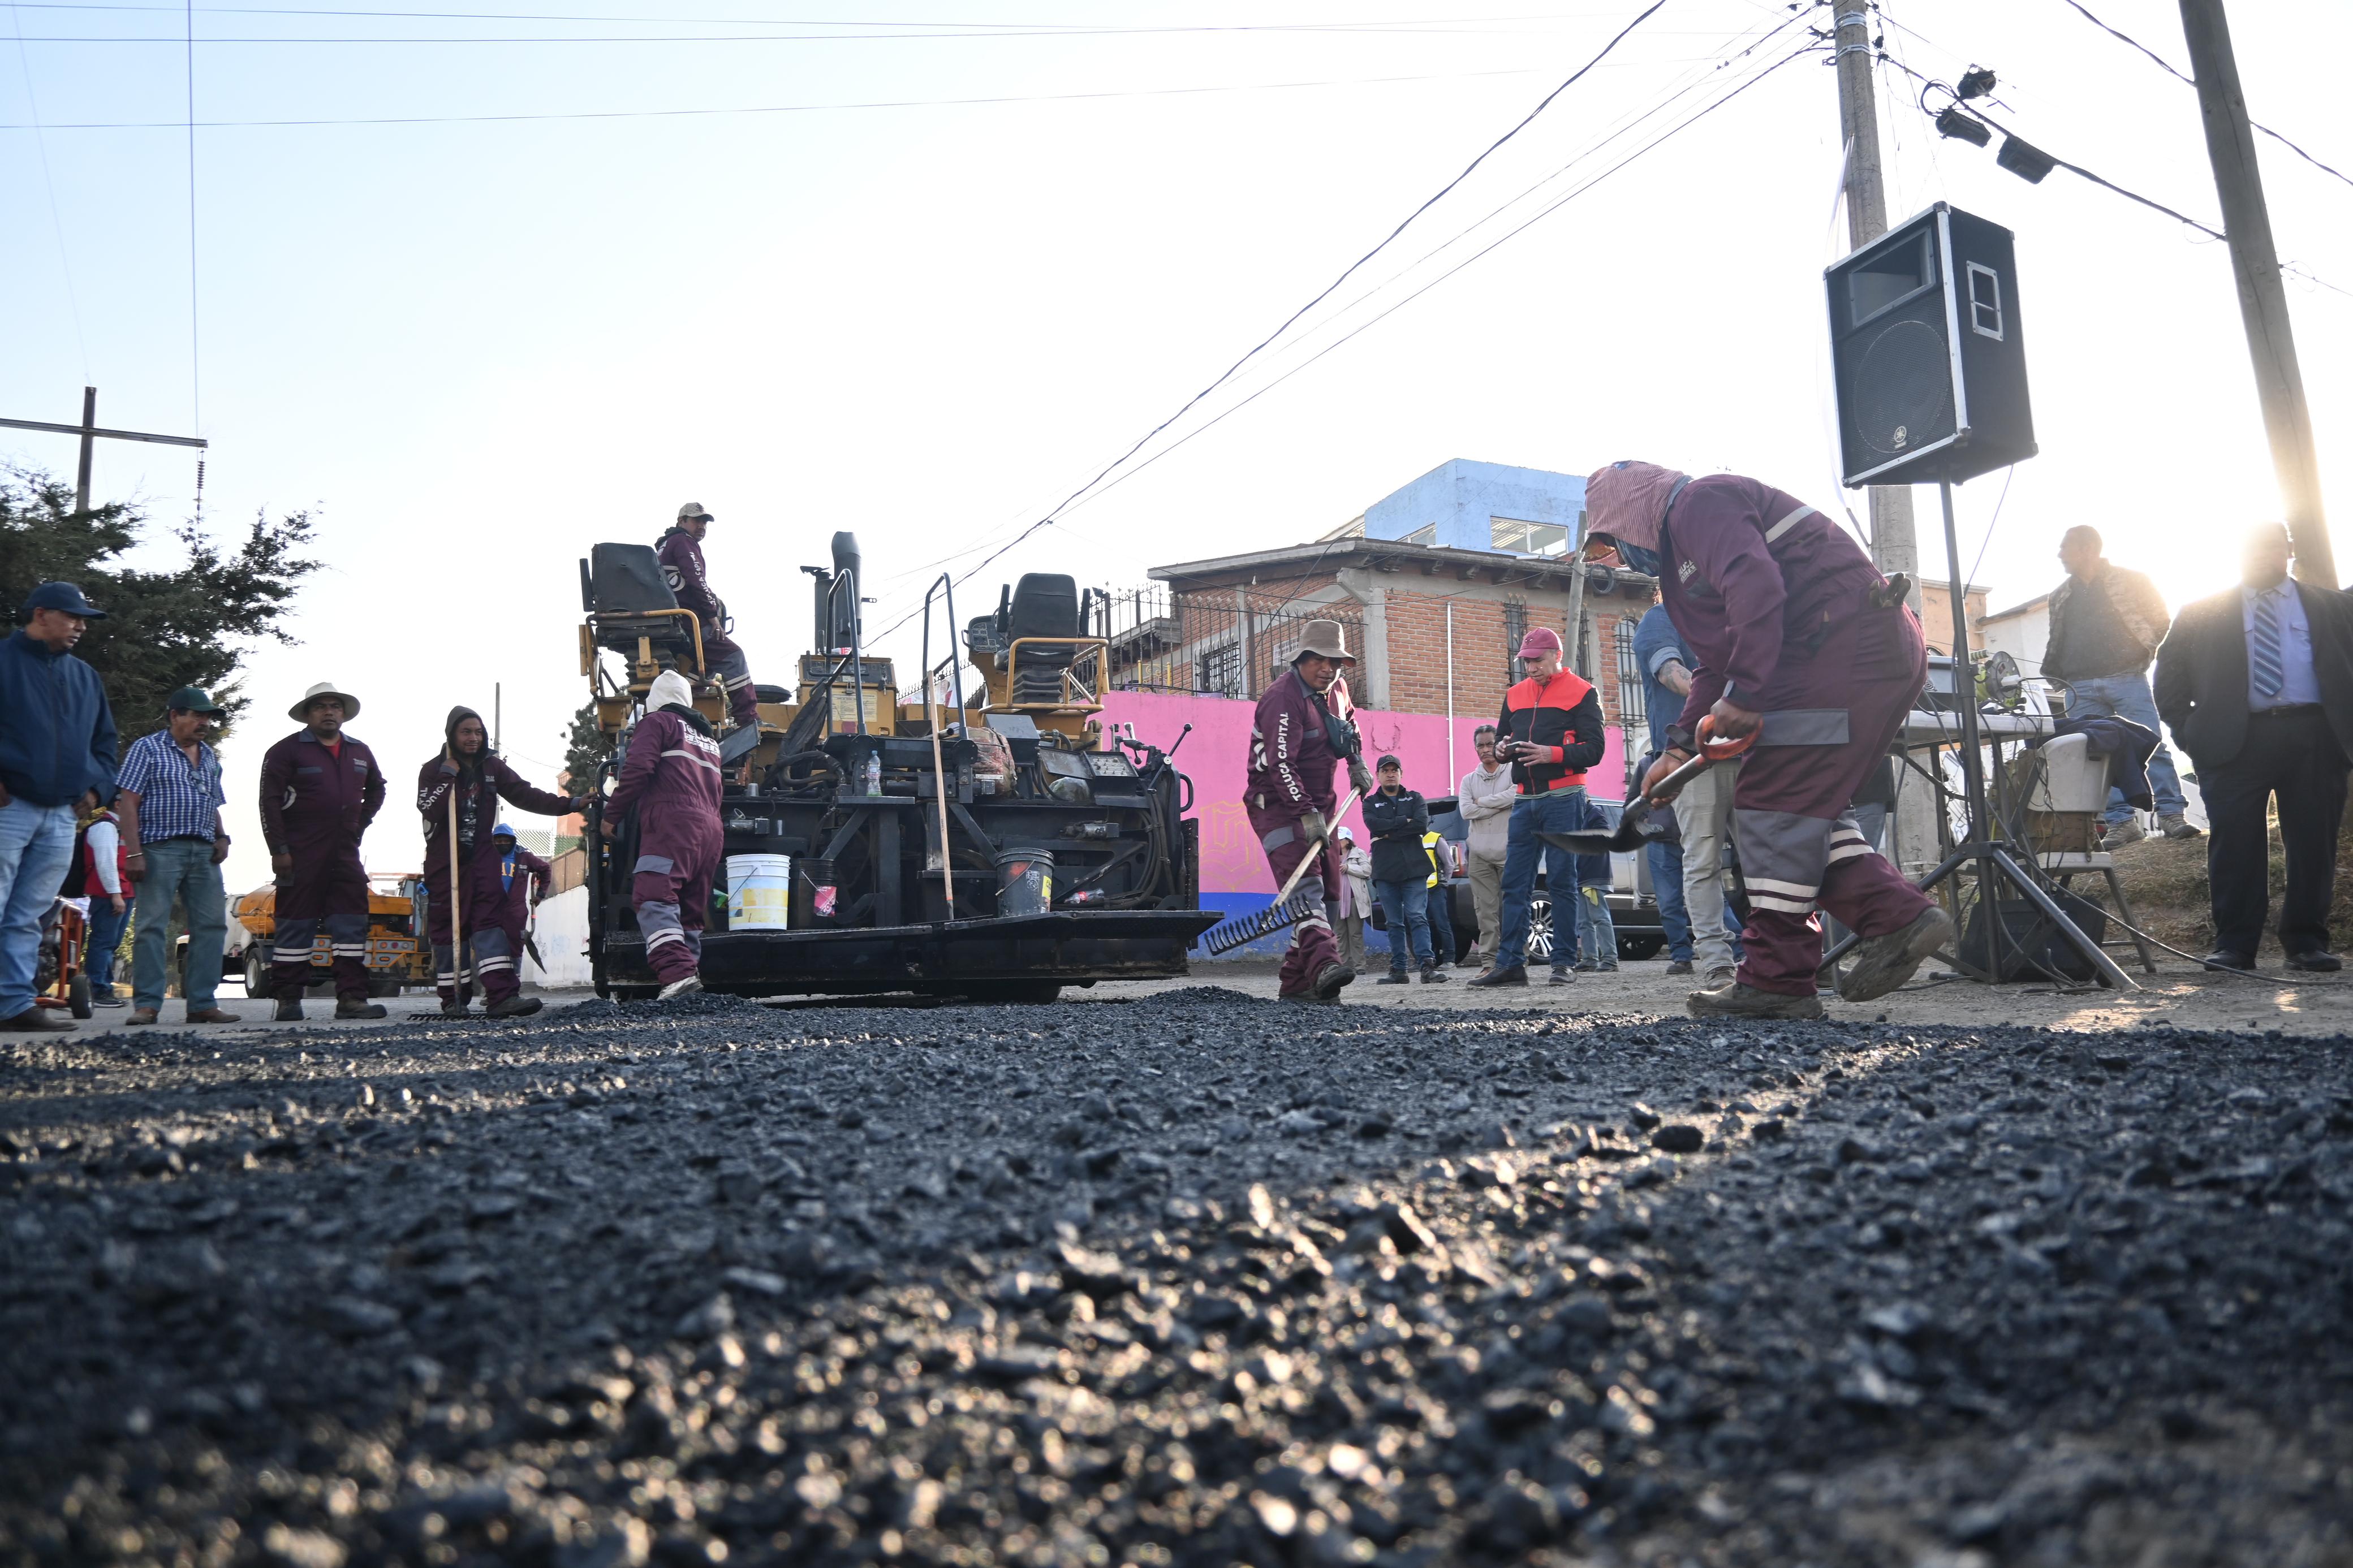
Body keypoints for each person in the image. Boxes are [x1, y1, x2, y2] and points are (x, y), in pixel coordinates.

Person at [1587, 460, 1951, 1019]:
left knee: (1770, 802)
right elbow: (1715, 660)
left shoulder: (1697, 505)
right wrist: (1678, 747)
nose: (1618, 557)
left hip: (1839, 645)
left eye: (1611, 542)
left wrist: (1747, 690)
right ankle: (1892, 914)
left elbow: (1757, 587)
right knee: (1805, 809)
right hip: (1857, 648)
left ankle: (1778, 980)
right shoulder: (1682, 569)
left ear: (1631, 513)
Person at [2153, 523, 2353, 972]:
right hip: (2232, 742)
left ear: (2288, 549)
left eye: (2271, 546)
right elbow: (2168, 681)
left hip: (2316, 738)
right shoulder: (2201, 611)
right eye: (2251, 548)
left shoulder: (2334, 606)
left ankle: (2306, 943)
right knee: (2235, 843)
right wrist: (2193, 734)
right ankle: (2235, 946)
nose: (2261, 555)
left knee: (2312, 844)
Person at [0, 583, 117, 1033]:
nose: (82, 626)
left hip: (61, 818)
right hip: (9, 808)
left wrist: (96, 792)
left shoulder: (86, 677)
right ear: (42, 614)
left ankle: (13, 1005)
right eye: (74, 617)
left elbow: (106, 745)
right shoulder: (4, 662)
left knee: (29, 914)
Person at [2042, 525, 2198, 846]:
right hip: (2079, 685)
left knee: (2150, 744)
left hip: (2127, 677)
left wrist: (2142, 652)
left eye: (2065, 547)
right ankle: (2122, 823)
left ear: (2087, 549)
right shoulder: (2059, 595)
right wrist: (2057, 673)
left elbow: (2160, 619)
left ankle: (2171, 815)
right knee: (2098, 755)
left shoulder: (2133, 580)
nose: (2060, 554)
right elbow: (2056, 637)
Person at [420, 706, 580, 1016]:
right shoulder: (433, 769)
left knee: (490, 925)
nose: (474, 738)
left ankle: (502, 996)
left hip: (482, 860)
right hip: (446, 863)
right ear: (452, 734)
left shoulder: (492, 767)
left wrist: (570, 804)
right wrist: (448, 774)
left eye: (479, 732)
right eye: (466, 732)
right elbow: (429, 808)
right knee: (449, 929)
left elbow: (525, 794)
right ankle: (454, 998)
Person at [1471, 626, 1604, 988]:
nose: (1531, 668)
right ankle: (1512, 964)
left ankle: (1563, 963)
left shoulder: (1583, 692)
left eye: (1537, 660)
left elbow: (1596, 750)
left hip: (1565, 796)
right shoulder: (1514, 695)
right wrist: (1500, 750)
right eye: (1526, 661)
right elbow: (1501, 739)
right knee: (1515, 885)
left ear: (1557, 656)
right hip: (1525, 799)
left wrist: (1552, 754)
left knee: (1562, 880)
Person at [1243, 619, 1369, 1003]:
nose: (1327, 668)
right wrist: (1305, 813)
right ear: (1301, 659)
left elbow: (1348, 726)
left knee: (1331, 892)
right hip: (1278, 806)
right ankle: (1326, 967)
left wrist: (1356, 761)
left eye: (1334, 661)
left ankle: (1296, 984)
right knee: (1307, 889)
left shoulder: (1339, 690)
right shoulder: (1283, 698)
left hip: (1323, 805)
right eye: (1318, 660)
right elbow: (1281, 764)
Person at [258, 681, 388, 1022]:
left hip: (345, 852)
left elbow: (378, 788)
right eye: (321, 706)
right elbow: (269, 802)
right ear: (308, 714)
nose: (329, 712)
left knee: (351, 924)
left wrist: (361, 824)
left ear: (343, 713)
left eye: (335, 706)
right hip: (300, 852)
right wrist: (279, 849)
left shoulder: (360, 751)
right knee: (294, 925)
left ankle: (351, 999)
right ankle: (288, 1000)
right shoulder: (284, 752)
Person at [1632, 595, 1744, 980]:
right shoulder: (1660, 618)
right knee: (1702, 860)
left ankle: (1782, 953)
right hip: (1693, 758)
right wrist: (1732, 698)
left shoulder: (1734, 613)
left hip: (1748, 751)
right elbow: (1671, 674)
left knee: (1768, 860)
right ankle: (1717, 960)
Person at [118, 686, 240, 1026]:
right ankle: (147, 1005)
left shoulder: (210, 755)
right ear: (175, 715)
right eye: (197, 716)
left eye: (208, 718)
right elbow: (128, 803)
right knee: (151, 927)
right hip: (159, 848)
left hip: (204, 851)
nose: (204, 723)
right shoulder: (147, 749)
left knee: (212, 925)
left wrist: (222, 836)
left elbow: (212, 801)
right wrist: (134, 852)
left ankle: (202, 1003)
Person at [601, 670, 726, 999]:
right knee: (689, 908)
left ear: (654, 700)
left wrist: (611, 815)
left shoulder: (657, 723)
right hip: (711, 829)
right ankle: (688, 981)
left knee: (654, 894)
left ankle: (677, 974)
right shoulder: (708, 740)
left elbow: (638, 770)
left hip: (673, 823)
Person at [657, 503, 761, 731]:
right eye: (697, 520)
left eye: (705, 522)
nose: (702, 526)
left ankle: (684, 705)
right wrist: (713, 616)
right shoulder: (683, 542)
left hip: (673, 622)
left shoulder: (665, 546)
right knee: (734, 657)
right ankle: (748, 720)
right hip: (689, 622)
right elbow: (696, 581)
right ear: (681, 521)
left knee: (706, 666)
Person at [1364, 755, 1444, 984]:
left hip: (1415, 867)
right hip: (1385, 869)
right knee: (1394, 922)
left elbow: (1421, 824)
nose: (1390, 774)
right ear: (1378, 775)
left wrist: (1389, 830)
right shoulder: (1370, 803)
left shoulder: (1416, 798)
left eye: (1394, 770)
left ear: (1401, 773)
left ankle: (1427, 967)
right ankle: (1399, 970)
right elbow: (1373, 825)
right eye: (1385, 770)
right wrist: (1404, 822)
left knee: (1417, 916)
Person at [62, 801, 131, 1005]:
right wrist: (115, 894)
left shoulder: (119, 827)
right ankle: (98, 989)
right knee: (103, 942)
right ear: (119, 805)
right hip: (108, 894)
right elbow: (105, 863)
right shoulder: (105, 827)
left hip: (123, 892)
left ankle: (103, 987)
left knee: (111, 943)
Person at [1458, 725, 1515, 969]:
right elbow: (1466, 811)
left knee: (1514, 908)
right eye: (1480, 745)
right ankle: (1489, 963)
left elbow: (1517, 794)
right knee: (1485, 913)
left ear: (1499, 745)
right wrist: (1500, 804)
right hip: (1479, 854)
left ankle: (1515, 960)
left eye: (1490, 744)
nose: (1485, 750)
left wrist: (1484, 802)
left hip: (1510, 850)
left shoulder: (1513, 771)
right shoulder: (1468, 780)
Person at [489, 822, 553, 982]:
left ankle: (513, 986)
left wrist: (541, 894)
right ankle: (494, 990)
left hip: (515, 910)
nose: (502, 844)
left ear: (513, 840)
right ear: (494, 841)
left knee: (515, 947)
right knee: (491, 949)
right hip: (491, 909)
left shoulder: (524, 857)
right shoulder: (487, 856)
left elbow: (545, 869)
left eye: (506, 840)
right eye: (499, 841)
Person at [1572, 800, 1619, 971]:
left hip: (1594, 874)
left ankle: (1610, 959)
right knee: (1584, 921)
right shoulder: (1579, 815)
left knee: (1599, 917)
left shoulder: (1594, 814)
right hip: (1581, 875)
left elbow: (1604, 836)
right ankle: (1590, 959)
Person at [1422, 825, 1461, 967]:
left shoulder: (1436, 838)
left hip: (1436, 888)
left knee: (1442, 924)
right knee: (1422, 925)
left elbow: (1449, 864)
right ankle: (1426, 960)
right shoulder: (1413, 839)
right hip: (1419, 890)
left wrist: (1444, 882)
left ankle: (1450, 959)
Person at [1333, 826, 1371, 974]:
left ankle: (1359, 966)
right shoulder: (1330, 855)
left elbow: (1367, 871)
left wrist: (1349, 868)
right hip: (1337, 900)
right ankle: (1340, 966)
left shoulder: (1359, 853)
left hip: (1355, 899)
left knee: (1356, 934)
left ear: (1348, 841)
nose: (1337, 842)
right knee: (1339, 934)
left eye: (1340, 839)